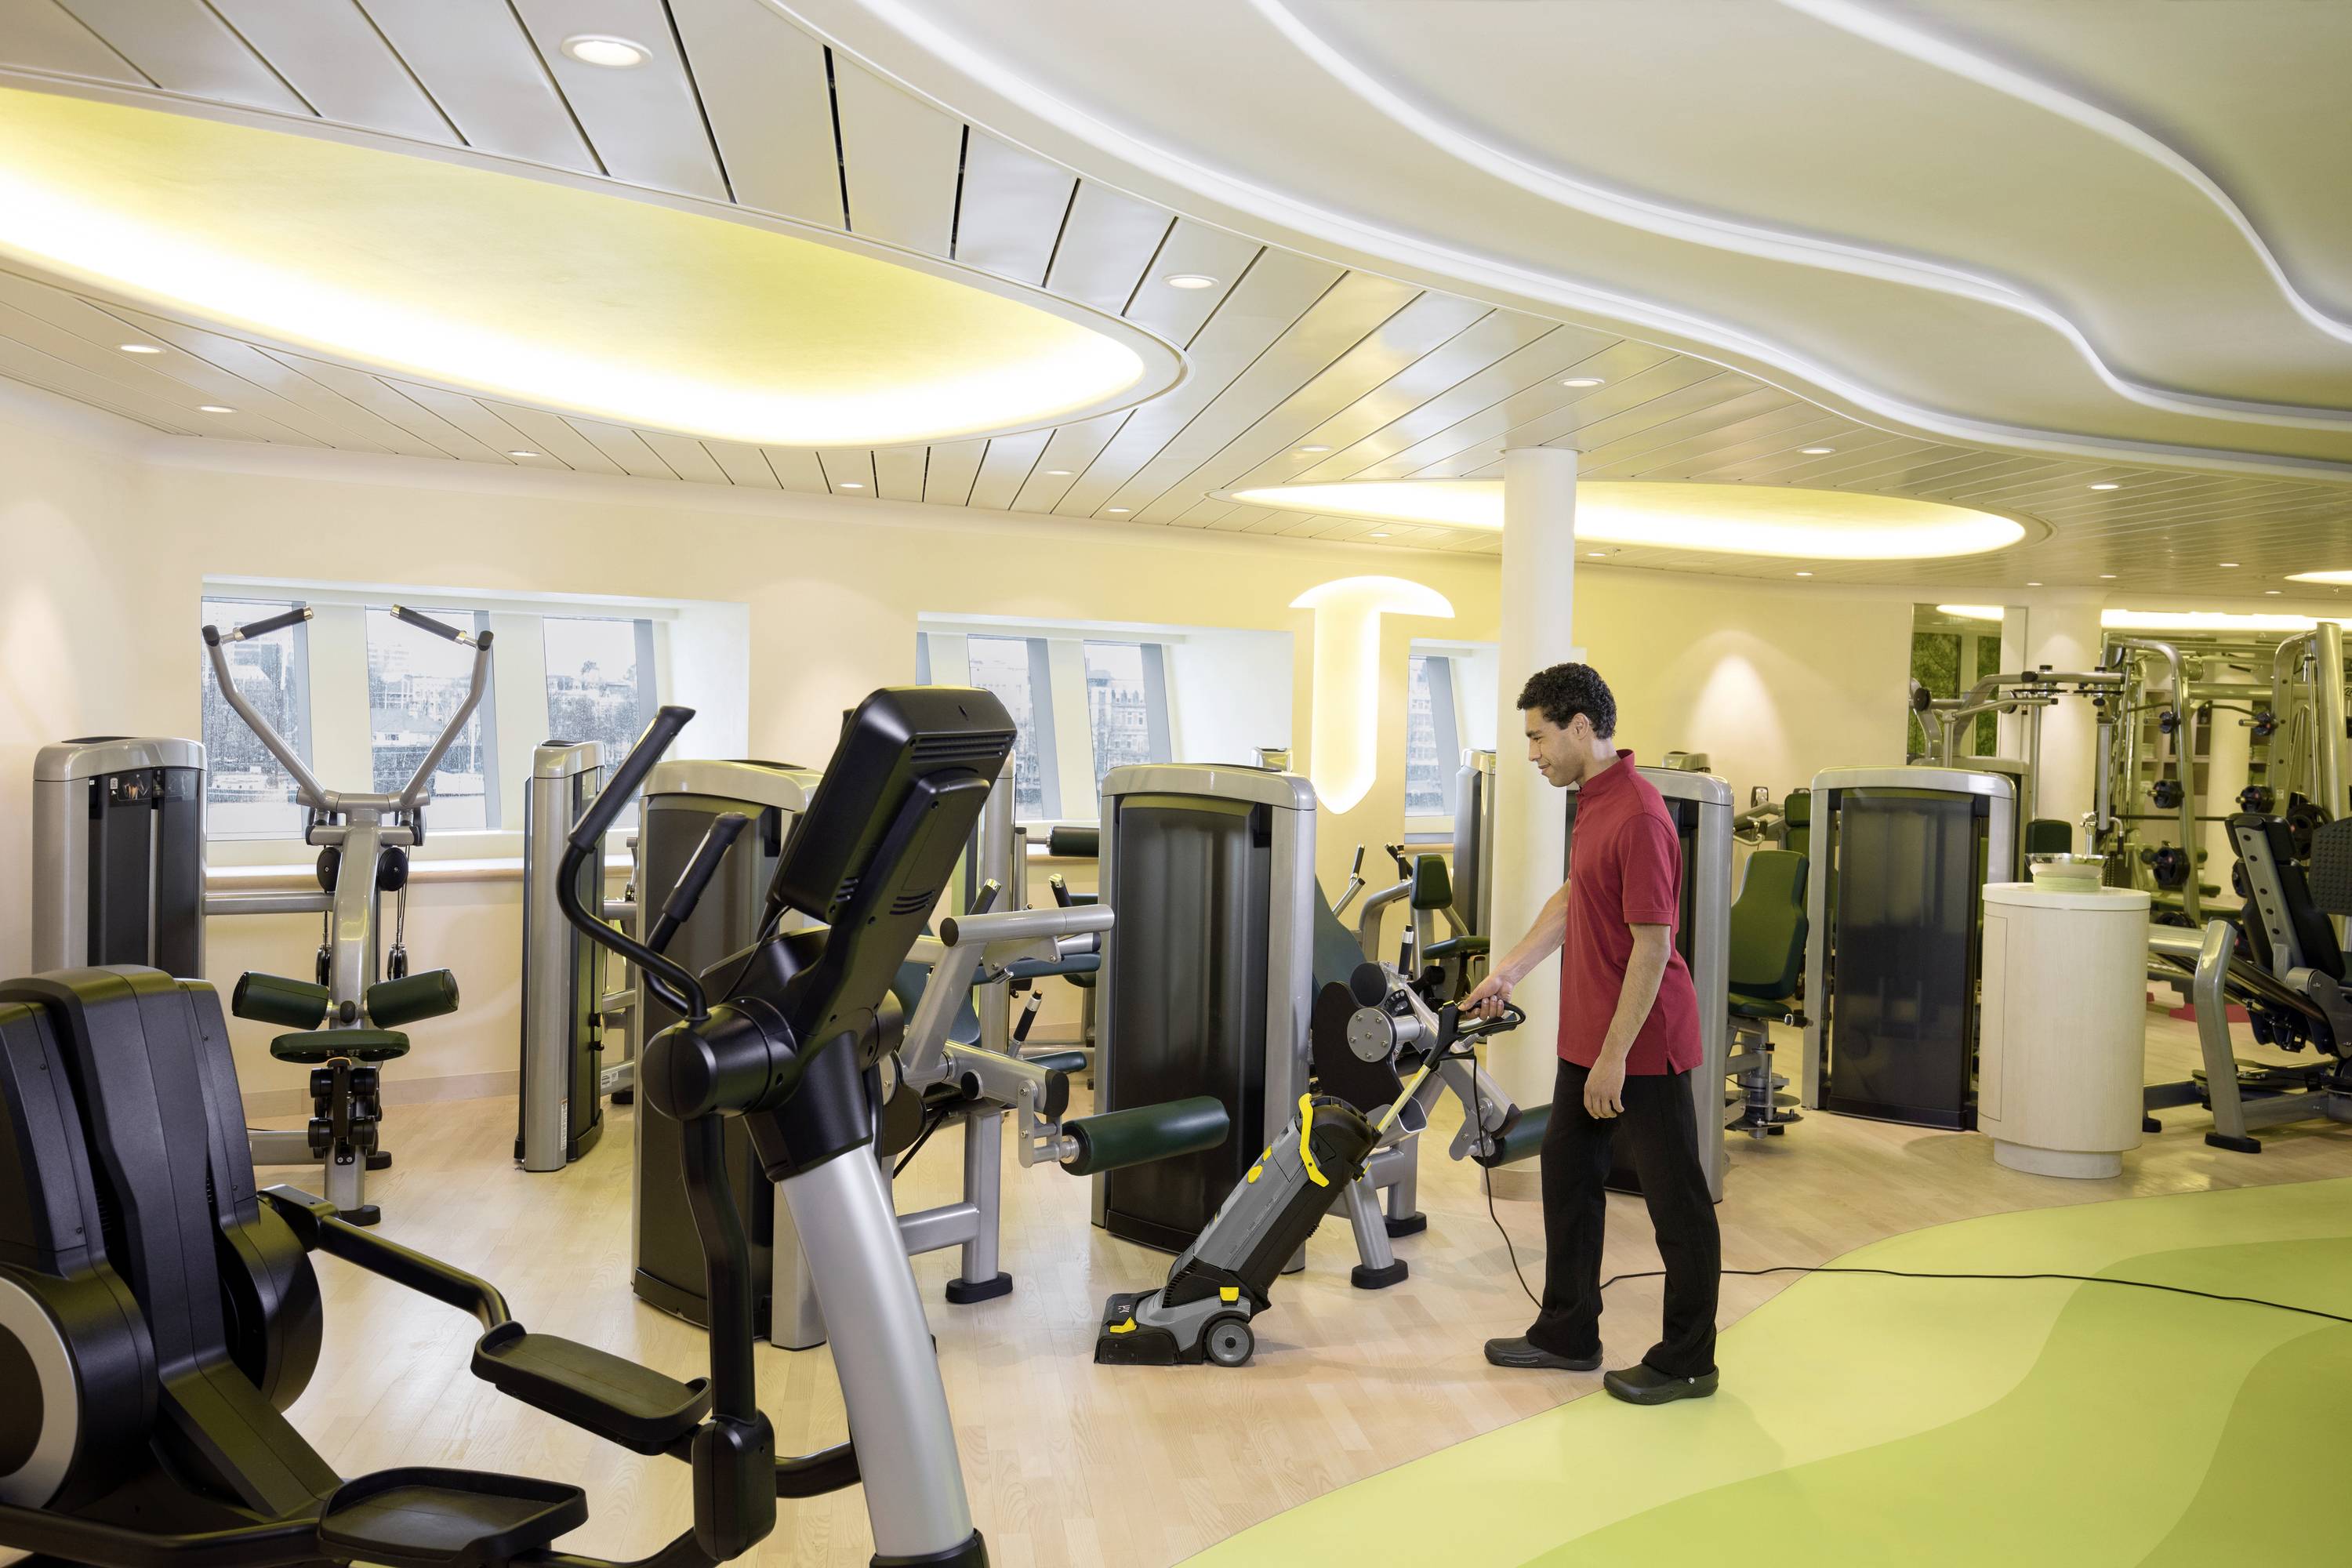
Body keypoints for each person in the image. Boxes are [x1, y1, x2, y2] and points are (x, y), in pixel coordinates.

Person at [1464, 662, 1721, 1406]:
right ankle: (1568, 1332)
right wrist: (1509, 969)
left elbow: (1652, 945)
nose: (1534, 754)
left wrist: (1613, 1058)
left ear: (1581, 726)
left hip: (1643, 1044)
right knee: (1569, 1180)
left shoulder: (1640, 813)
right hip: (1591, 1041)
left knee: (1678, 1204)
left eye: (1539, 737)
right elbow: (1578, 895)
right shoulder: (1592, 802)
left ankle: (1688, 1361)